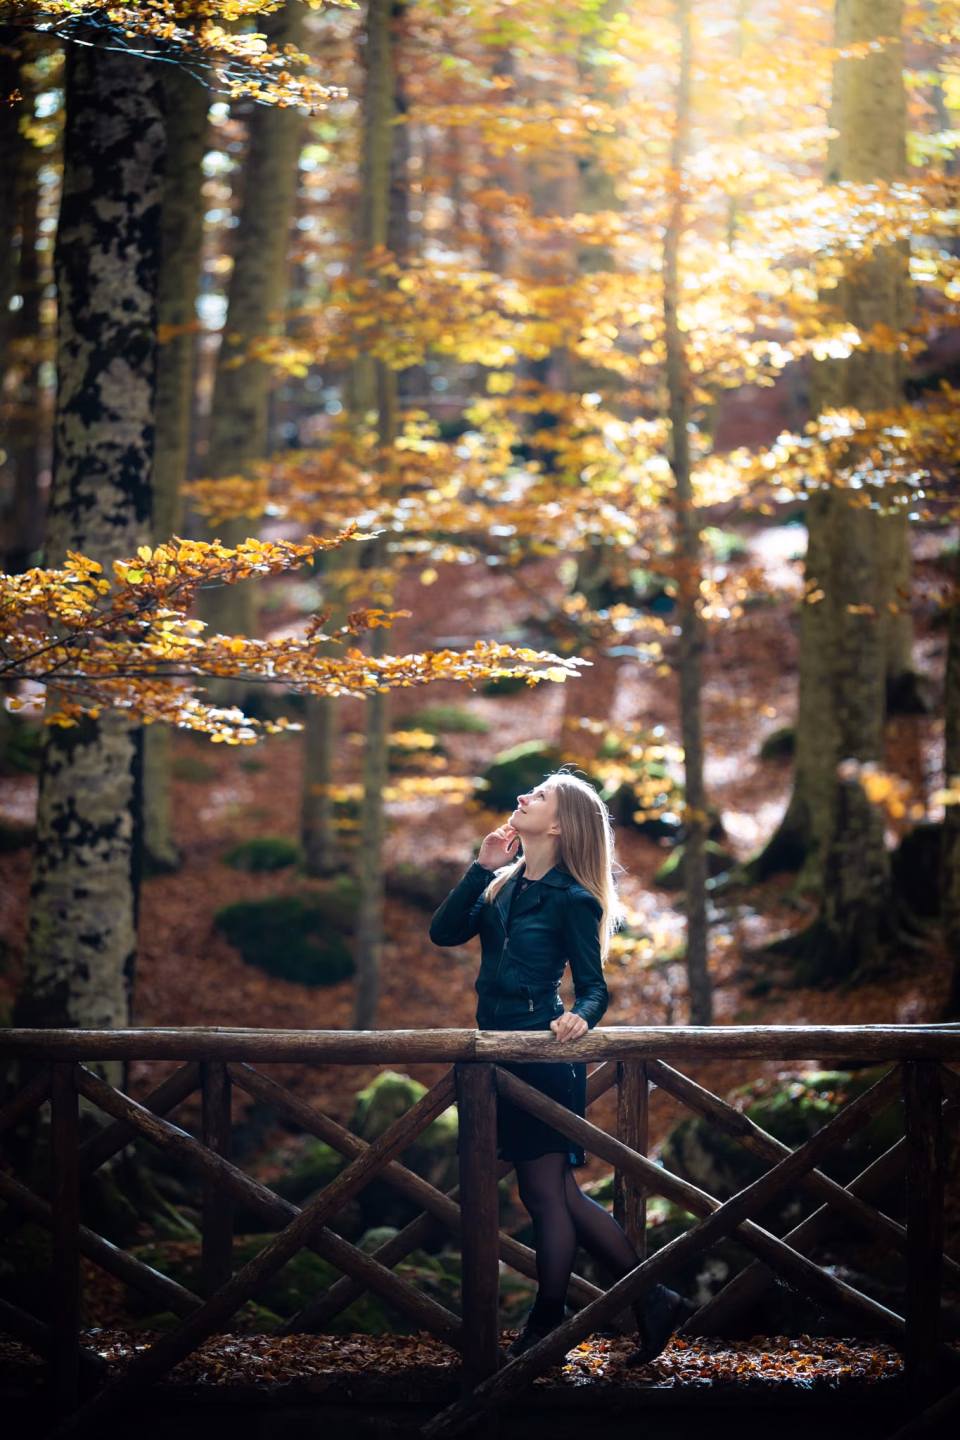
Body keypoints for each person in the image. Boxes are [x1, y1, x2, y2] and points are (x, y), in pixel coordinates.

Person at [429, 770, 694, 1361]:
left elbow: (595, 988)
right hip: (496, 1054)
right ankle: (649, 1300)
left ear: (558, 823)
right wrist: (480, 865)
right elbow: (443, 933)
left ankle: (550, 1324)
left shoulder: (575, 898)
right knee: (547, 1192)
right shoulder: (499, 886)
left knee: (548, 1193)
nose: (522, 797)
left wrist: (582, 1017)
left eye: (539, 796)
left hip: (542, 1056)